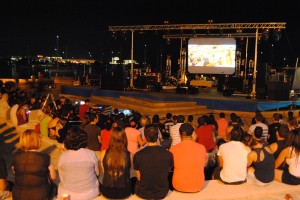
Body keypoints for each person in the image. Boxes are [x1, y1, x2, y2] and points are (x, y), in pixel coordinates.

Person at [12, 129, 56, 199]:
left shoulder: (16, 158)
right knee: (54, 186)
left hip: (18, 196)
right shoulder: (46, 157)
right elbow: (53, 178)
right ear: (37, 141)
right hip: (40, 195)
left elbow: (15, 172)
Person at [57, 126, 100, 199]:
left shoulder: (63, 156)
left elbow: (61, 176)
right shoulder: (91, 154)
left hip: (69, 194)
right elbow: (97, 173)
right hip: (90, 193)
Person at [133, 125, 173, 199]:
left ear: (145, 137)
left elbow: (139, 177)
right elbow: (166, 173)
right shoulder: (168, 154)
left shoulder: (138, 155)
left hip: (142, 193)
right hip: (162, 192)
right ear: (158, 136)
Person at [169, 123, 206, 192]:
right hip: (198, 186)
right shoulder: (201, 148)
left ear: (179, 135)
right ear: (192, 134)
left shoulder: (173, 149)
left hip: (178, 186)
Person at [100, 126, 132, 199]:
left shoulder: (103, 153)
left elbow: (104, 171)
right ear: (124, 138)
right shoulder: (129, 154)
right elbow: (128, 170)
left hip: (107, 191)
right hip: (124, 192)